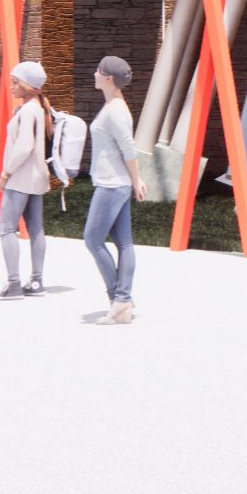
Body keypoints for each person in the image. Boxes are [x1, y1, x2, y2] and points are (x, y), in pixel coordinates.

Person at [82, 55, 148, 323]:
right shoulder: (112, 106)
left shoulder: (116, 110)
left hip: (111, 184)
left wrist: (136, 180)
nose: (94, 74)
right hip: (114, 182)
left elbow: (128, 148)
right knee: (124, 243)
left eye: (98, 71)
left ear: (109, 78)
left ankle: (119, 299)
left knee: (92, 239)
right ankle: (123, 300)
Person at [0, 60, 62, 300]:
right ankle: (37, 282)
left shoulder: (29, 110)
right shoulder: (38, 108)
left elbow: (24, 147)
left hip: (20, 179)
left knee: (6, 229)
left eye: (15, 82)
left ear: (27, 85)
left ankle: (13, 285)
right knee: (36, 229)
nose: (11, 86)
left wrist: (6, 174)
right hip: (36, 179)